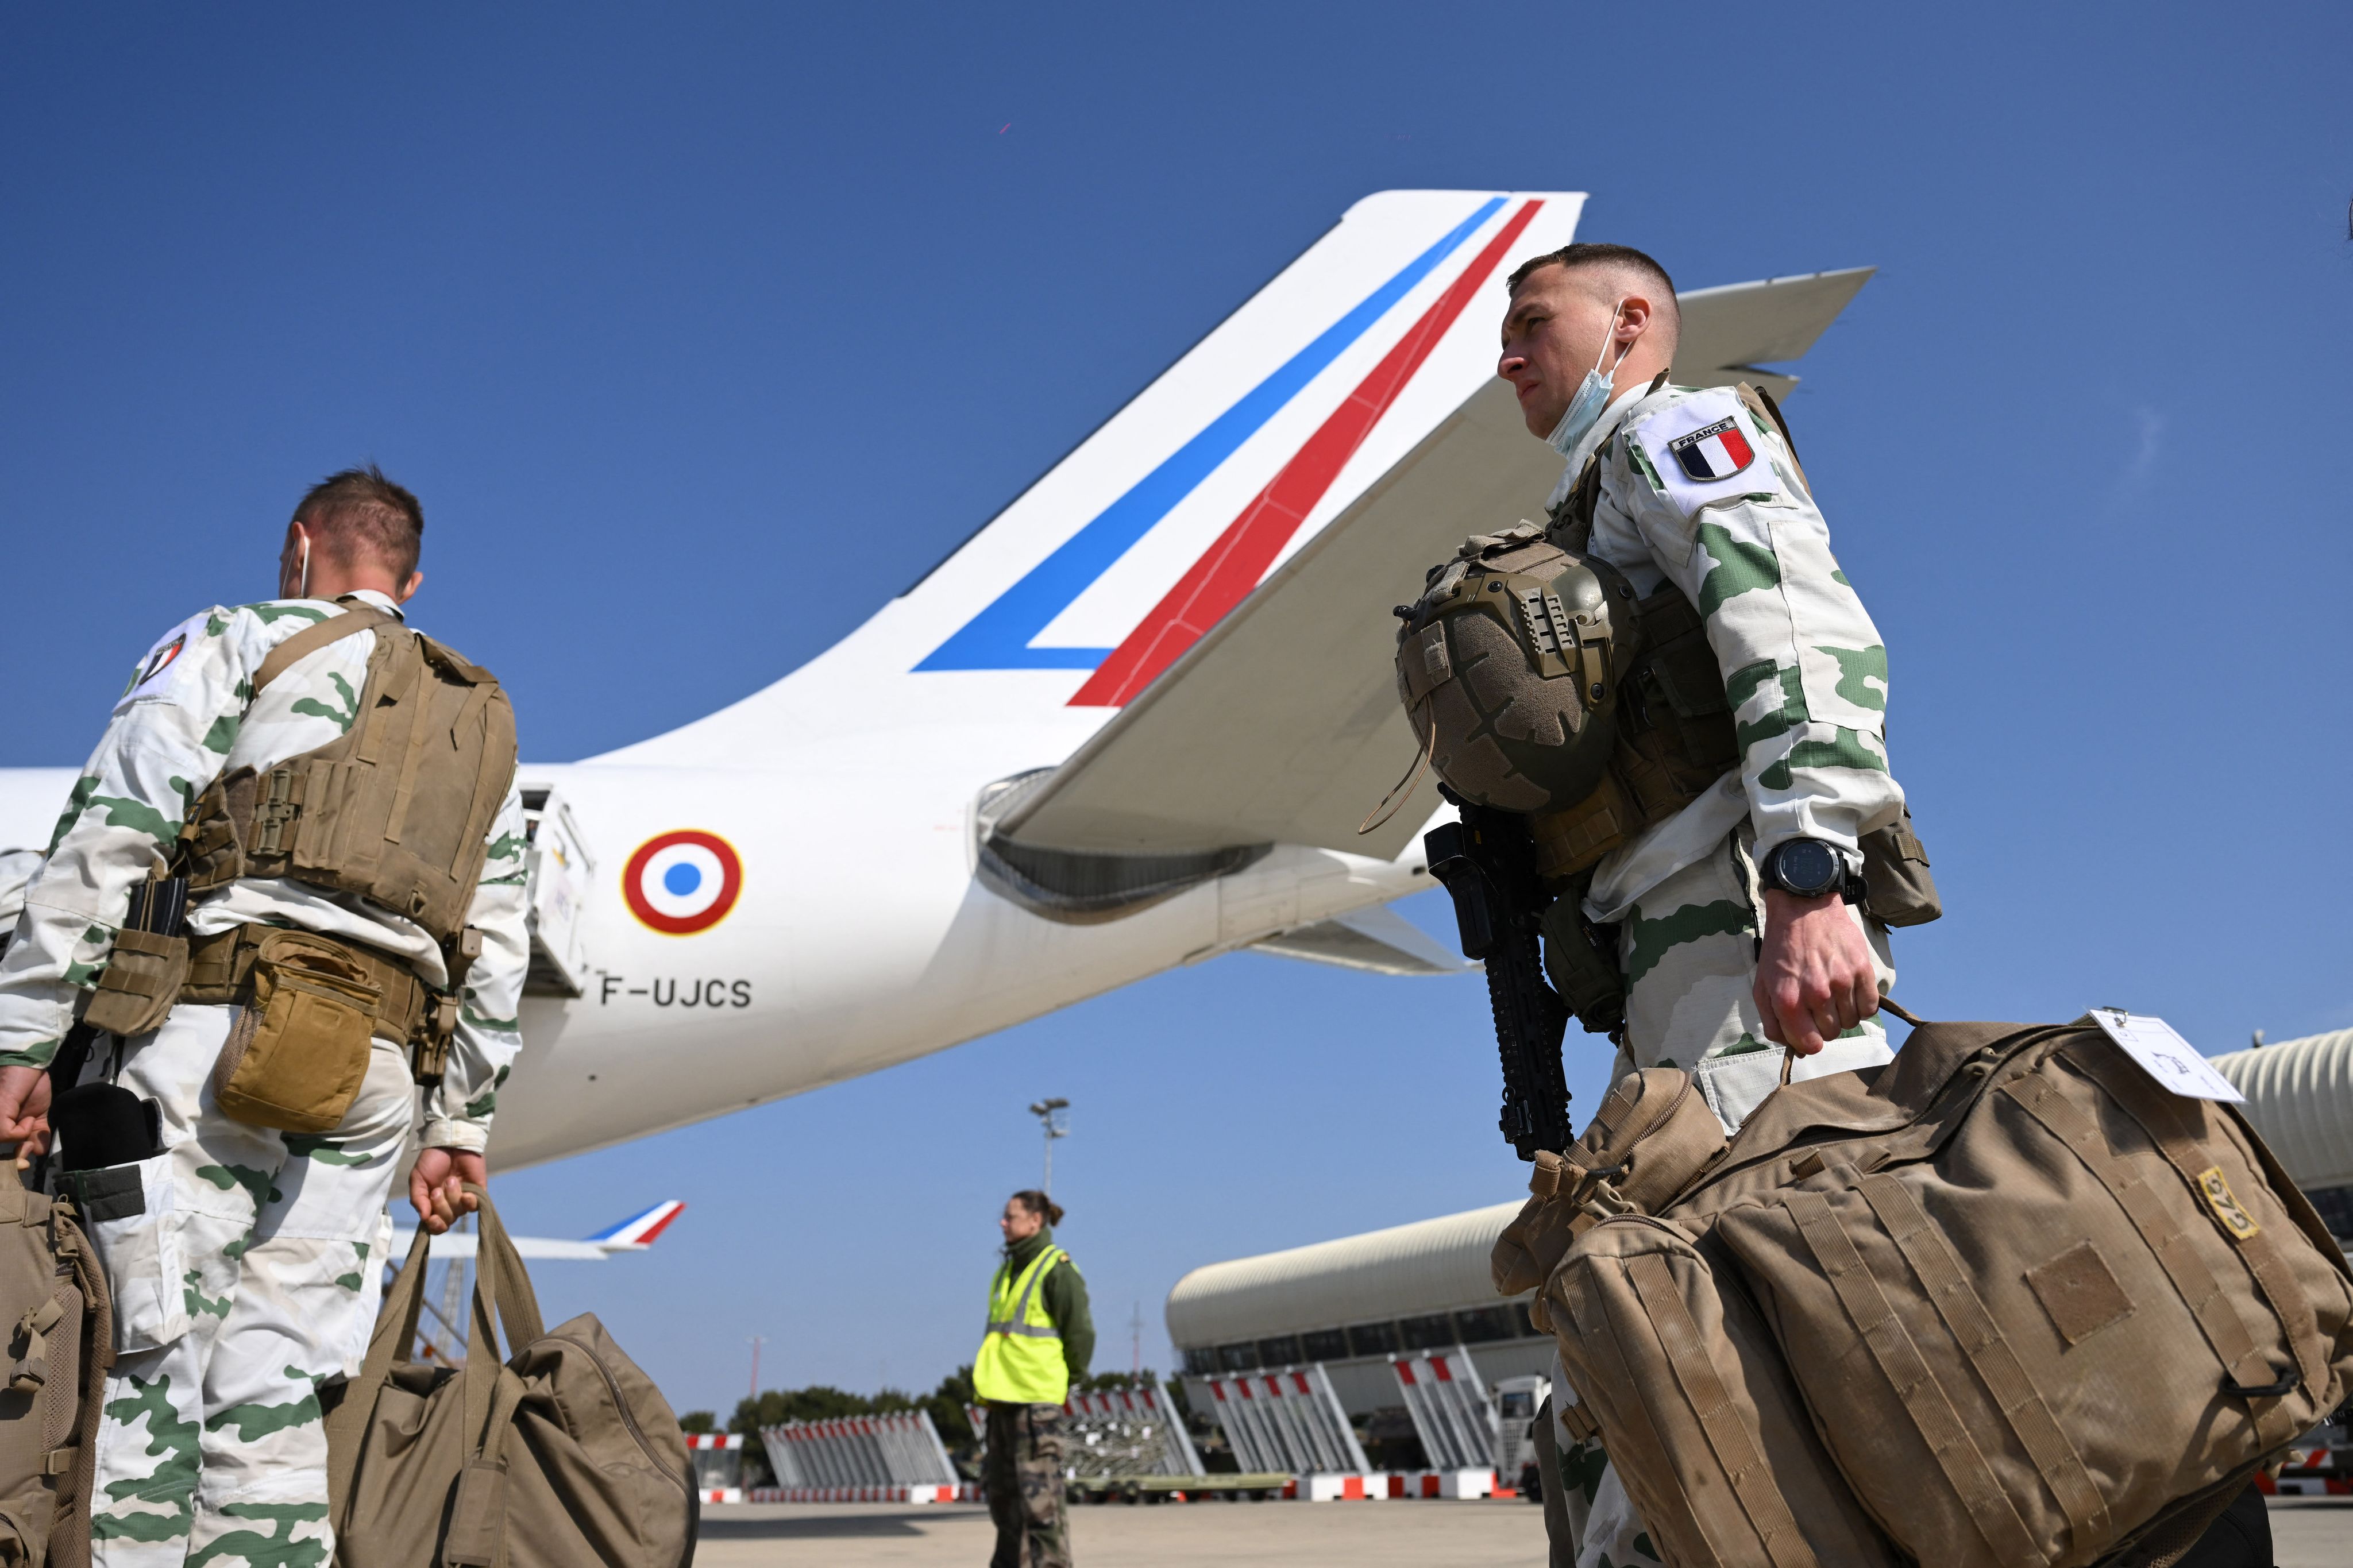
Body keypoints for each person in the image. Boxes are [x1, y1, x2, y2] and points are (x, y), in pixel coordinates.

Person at [0, 467, 529, 1567]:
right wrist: (458, 1127)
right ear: (411, 579)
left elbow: (117, 829)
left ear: (300, 548)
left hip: (213, 1033)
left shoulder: (242, 639)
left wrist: (24, 1033)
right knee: (282, 1378)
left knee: (147, 1351)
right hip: (375, 1072)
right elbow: (499, 945)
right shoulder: (481, 718)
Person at [1494, 244, 1911, 1567]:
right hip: (1671, 956)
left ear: (1628, 321)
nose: (1504, 355)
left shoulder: (1673, 433)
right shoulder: (1587, 497)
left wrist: (1810, 875)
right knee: (1700, 1291)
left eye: (1530, 322)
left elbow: (1795, 620)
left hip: (1741, 922)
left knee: (1793, 1284)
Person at [972, 1189, 1093, 1568]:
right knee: (1004, 1510)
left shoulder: (1056, 1270)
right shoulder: (1008, 1271)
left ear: (1035, 1221)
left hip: (1035, 1409)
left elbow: (1080, 1336)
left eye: (1010, 1216)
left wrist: (1063, 1380)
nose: (1002, 1223)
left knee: (1043, 1513)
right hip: (1001, 1405)